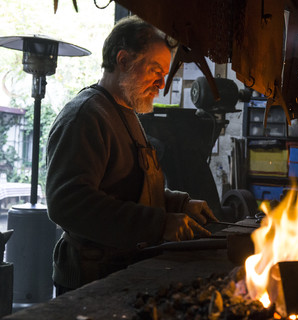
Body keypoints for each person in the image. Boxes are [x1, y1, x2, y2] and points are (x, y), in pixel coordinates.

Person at [45, 15, 218, 295]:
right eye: (155, 71)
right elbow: (68, 203)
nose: (161, 85)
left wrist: (177, 205)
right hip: (89, 281)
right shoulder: (85, 116)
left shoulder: (126, 114)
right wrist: (159, 223)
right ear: (123, 60)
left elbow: (127, 189)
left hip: (121, 272)